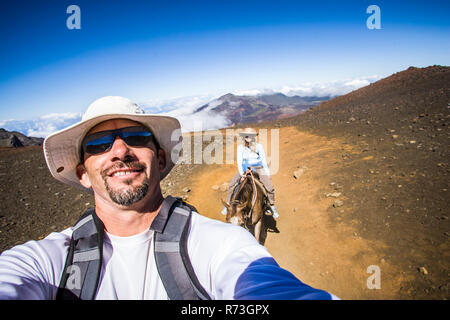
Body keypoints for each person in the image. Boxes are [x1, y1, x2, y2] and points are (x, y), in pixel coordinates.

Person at [0, 96, 337, 300]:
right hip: (243, 169)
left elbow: (258, 280)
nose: (119, 150)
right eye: (99, 144)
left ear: (160, 160)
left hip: (258, 169)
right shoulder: (46, 263)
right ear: (83, 174)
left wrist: (256, 170)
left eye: (135, 137)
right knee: (237, 182)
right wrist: (242, 171)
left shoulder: (221, 244)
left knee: (265, 182)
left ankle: (271, 204)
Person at [222, 128, 278, 218]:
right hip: (245, 168)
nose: (248, 137)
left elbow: (263, 160)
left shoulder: (259, 146)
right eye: (246, 136)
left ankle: (271, 206)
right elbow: (239, 162)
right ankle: (228, 205)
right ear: (244, 137)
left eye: (250, 136)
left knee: (269, 187)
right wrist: (242, 174)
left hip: (258, 167)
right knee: (232, 185)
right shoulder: (240, 147)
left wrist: (267, 173)